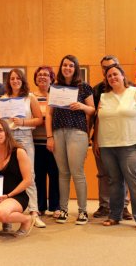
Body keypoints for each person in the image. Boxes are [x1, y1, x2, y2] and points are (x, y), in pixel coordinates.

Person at [46, 55, 95, 225]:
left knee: (77, 172)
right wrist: (49, 136)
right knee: (63, 173)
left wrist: (81, 106)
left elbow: (93, 111)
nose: (67, 68)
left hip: (77, 133)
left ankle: (82, 211)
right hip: (58, 133)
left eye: (71, 66)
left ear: (75, 69)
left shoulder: (84, 88)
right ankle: (64, 209)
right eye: (65, 65)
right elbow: (49, 114)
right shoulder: (54, 87)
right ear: (61, 68)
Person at [93, 64, 136, 231]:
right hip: (107, 145)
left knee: (134, 182)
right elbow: (98, 120)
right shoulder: (104, 97)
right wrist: (97, 141)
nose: (112, 77)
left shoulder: (135, 92)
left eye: (115, 74)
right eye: (109, 76)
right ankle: (114, 215)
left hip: (129, 144)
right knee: (114, 182)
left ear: (122, 76)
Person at [0, 69, 45, 228]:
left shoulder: (30, 97)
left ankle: (34, 212)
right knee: (8, 173)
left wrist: (23, 122)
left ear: (23, 80)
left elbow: (39, 120)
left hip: (25, 136)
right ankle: (7, 210)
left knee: (29, 174)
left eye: (18, 78)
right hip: (8, 139)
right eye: (12, 78)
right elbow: (0, 122)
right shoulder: (4, 99)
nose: (15, 81)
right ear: (8, 81)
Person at [32, 66, 60, 218]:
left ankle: (55, 206)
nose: (42, 77)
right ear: (35, 78)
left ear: (52, 78)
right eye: (39, 75)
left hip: (54, 141)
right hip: (35, 142)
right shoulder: (30, 96)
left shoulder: (57, 96)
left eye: (46, 75)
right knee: (38, 175)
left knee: (55, 174)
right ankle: (40, 205)